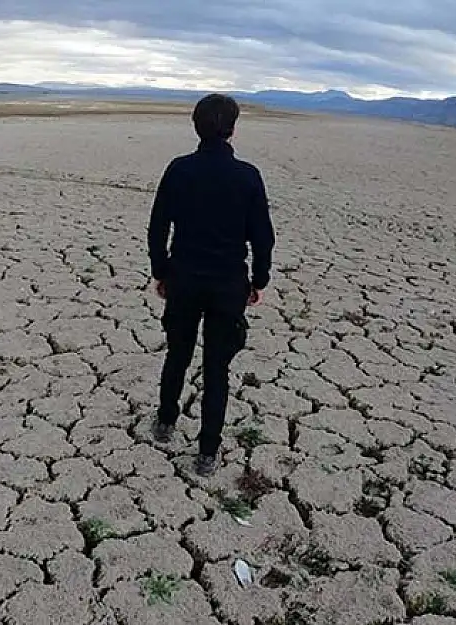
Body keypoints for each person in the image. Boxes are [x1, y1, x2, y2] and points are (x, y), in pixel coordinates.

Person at [147, 93, 275, 476]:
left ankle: (166, 422)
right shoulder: (247, 176)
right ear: (233, 130)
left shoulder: (179, 169)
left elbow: (157, 228)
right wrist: (258, 280)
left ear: (196, 126)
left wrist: (162, 271)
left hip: (183, 280)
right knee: (217, 369)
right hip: (227, 286)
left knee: (177, 354)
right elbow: (263, 238)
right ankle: (207, 452)